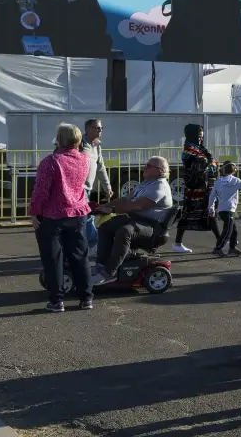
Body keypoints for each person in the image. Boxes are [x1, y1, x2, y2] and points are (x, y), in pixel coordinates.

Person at [28, 124, 93, 312]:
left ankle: (57, 300)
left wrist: (33, 212)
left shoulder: (51, 161)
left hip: (53, 216)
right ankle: (86, 298)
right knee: (80, 256)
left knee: (53, 259)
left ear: (59, 139)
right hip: (79, 212)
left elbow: (41, 192)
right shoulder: (84, 158)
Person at [92, 156, 174, 284]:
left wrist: (111, 210)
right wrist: (103, 207)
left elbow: (137, 205)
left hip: (152, 227)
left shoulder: (159, 187)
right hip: (139, 220)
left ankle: (109, 273)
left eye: (149, 166)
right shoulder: (146, 183)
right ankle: (101, 265)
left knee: (125, 232)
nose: (144, 168)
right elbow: (125, 200)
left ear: (160, 171)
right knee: (106, 226)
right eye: (146, 165)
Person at [173, 124, 216, 254]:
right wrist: (210, 165)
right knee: (187, 216)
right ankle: (177, 243)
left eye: (201, 137)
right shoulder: (188, 151)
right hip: (194, 189)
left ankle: (222, 241)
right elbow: (199, 167)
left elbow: (209, 164)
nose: (200, 140)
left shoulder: (200, 149)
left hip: (204, 187)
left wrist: (209, 165)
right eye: (198, 137)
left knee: (210, 214)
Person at [81, 119, 112, 253]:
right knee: (87, 216)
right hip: (79, 187)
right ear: (88, 129)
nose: (100, 130)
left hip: (88, 188)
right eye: (97, 128)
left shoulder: (97, 146)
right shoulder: (80, 144)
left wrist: (107, 186)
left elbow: (101, 167)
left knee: (88, 216)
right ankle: (92, 244)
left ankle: (88, 245)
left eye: (101, 128)